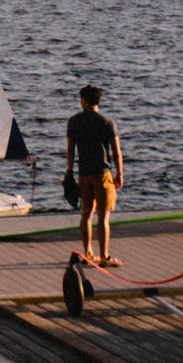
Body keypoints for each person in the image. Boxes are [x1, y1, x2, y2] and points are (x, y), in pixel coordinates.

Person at [65, 84, 124, 266]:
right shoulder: (107, 122)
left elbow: (70, 151)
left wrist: (69, 172)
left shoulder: (74, 121)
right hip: (103, 174)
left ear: (83, 100)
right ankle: (104, 255)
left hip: (84, 174)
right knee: (103, 217)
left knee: (86, 214)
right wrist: (120, 173)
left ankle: (88, 253)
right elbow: (116, 152)